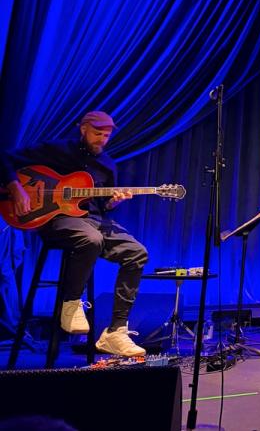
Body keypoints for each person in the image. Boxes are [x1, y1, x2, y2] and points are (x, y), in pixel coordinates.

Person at [1, 111, 149, 357]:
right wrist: (16, 188)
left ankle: (116, 332)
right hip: (57, 219)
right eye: (97, 133)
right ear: (83, 129)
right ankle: (70, 303)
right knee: (90, 239)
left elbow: (101, 208)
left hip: (93, 221)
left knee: (137, 252)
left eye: (107, 135)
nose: (102, 139)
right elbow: (4, 158)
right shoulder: (57, 150)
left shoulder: (108, 165)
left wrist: (113, 203)